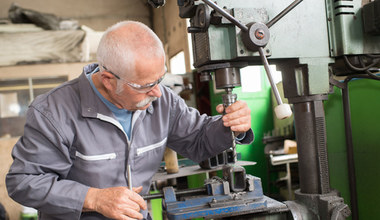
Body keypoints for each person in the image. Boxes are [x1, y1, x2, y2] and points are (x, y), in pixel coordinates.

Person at [6, 20, 253, 220]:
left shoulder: (162, 100)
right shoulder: (53, 112)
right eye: (145, 85)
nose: (157, 92)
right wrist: (93, 199)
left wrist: (231, 125)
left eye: (160, 79)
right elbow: (24, 181)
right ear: (108, 80)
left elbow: (198, 139)